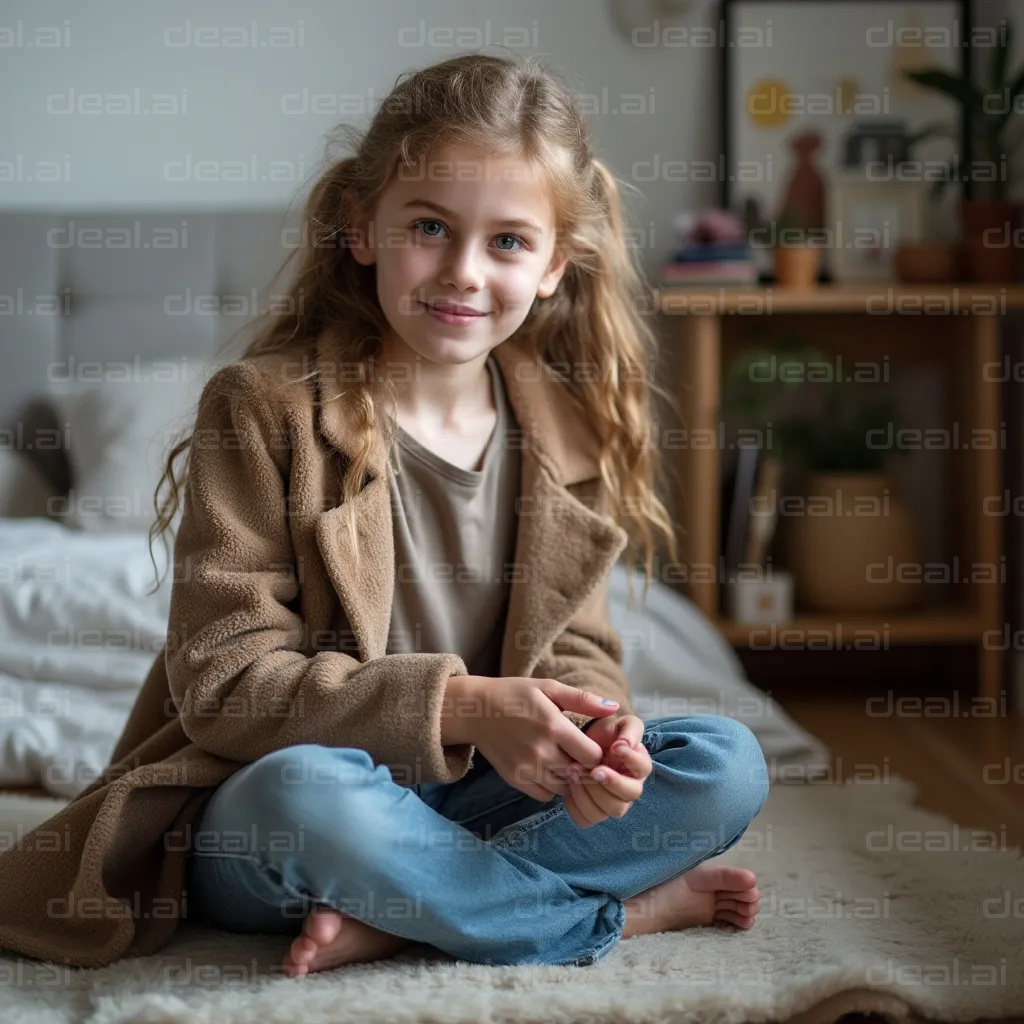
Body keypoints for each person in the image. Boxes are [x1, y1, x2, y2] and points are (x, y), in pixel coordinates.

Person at [0, 51, 769, 975]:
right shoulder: (263, 408)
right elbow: (226, 684)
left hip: (482, 800)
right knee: (306, 793)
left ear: (557, 265)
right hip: (287, 807)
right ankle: (607, 919)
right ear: (361, 227)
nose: (463, 272)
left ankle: (408, 916)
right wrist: (468, 706)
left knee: (725, 763)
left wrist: (601, 739)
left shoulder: (564, 427)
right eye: (431, 227)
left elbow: (577, 647)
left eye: (509, 242)